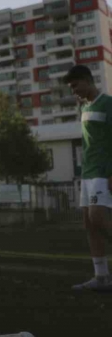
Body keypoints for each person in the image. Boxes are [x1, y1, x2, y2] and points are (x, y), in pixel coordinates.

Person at [62, 65, 112, 291]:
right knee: (89, 224)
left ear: (87, 80)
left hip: (103, 173)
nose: (74, 92)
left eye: (75, 86)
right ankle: (101, 277)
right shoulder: (85, 108)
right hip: (87, 174)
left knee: (99, 218)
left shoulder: (108, 103)